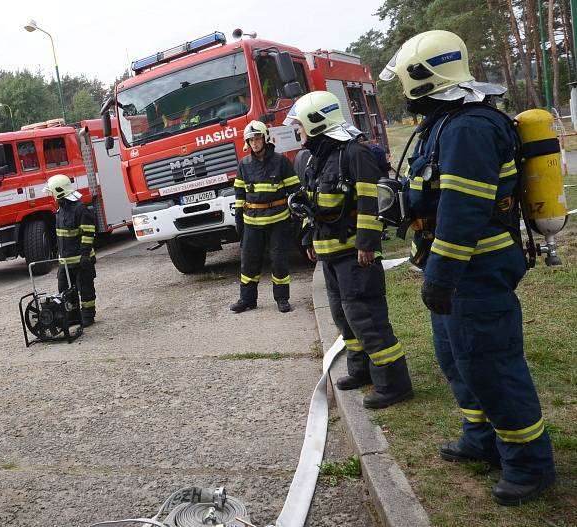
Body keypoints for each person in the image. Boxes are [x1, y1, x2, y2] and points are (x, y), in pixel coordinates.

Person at [380, 29, 555, 504]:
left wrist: (442, 274)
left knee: (492, 365)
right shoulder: (445, 123)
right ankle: (482, 440)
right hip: (456, 270)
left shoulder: (468, 128)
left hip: (475, 269)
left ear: (424, 76)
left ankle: (529, 464)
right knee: (458, 360)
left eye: (404, 80)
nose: (401, 89)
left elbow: (463, 211)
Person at [284, 91, 413, 409]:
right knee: (345, 317)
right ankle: (362, 370)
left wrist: (367, 244)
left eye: (300, 124)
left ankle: (394, 383)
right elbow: (309, 202)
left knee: (367, 317)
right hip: (330, 254)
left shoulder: (355, 154)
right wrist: (307, 239)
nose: (297, 130)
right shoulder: (315, 157)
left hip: (356, 253)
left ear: (317, 121)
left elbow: (373, 202)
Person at [231, 120, 300, 313]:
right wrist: (240, 223)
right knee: (248, 261)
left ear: (265, 138)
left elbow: (295, 192)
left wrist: (294, 220)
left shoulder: (281, 161)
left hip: (278, 221)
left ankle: (281, 299)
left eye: (258, 138)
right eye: (251, 139)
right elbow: (239, 197)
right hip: (252, 222)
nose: (254, 143)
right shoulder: (244, 165)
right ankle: (247, 300)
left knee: (279, 260)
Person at [44, 174, 97, 327]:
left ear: (59, 192)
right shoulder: (60, 211)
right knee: (66, 292)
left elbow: (88, 234)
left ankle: (88, 316)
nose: (51, 196)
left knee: (85, 290)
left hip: (81, 261)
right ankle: (73, 316)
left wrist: (85, 255)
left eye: (52, 192)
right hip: (65, 263)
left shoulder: (80, 209)